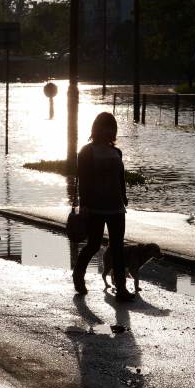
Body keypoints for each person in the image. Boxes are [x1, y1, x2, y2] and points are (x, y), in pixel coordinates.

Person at [72, 112, 135, 301]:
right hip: (95, 207)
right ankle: (78, 275)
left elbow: (120, 178)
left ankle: (121, 288)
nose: (109, 130)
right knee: (93, 245)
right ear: (97, 128)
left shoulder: (117, 152)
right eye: (105, 126)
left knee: (117, 247)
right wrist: (84, 205)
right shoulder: (86, 151)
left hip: (116, 207)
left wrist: (124, 196)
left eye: (112, 127)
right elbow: (83, 180)